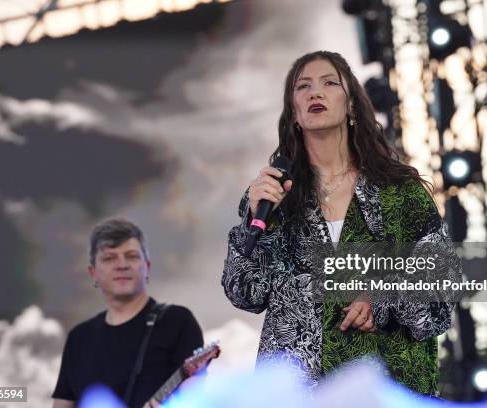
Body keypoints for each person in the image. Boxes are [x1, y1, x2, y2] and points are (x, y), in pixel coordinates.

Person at [222, 51, 461, 396]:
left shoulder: (400, 193)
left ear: (350, 105)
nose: (314, 93)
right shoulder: (272, 196)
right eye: (302, 87)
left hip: (385, 386)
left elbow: (440, 292)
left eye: (329, 83)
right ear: (294, 113)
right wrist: (252, 224)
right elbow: (244, 292)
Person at [52, 219, 203, 408]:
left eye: (131, 256)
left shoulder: (177, 321)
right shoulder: (78, 338)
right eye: (109, 258)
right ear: (93, 273)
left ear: (147, 266)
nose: (121, 265)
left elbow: (195, 396)